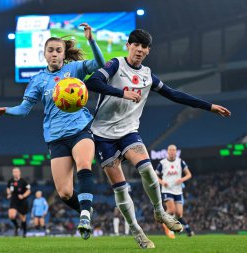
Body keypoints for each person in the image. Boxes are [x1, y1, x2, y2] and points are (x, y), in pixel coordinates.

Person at [0, 23, 139, 240]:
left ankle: (86, 215)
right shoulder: (38, 80)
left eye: (58, 50)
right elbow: (23, 110)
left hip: (81, 129)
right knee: (65, 193)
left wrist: (91, 40)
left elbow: (101, 63)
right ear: (44, 55)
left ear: (63, 54)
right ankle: (84, 210)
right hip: (56, 137)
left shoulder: (75, 69)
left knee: (84, 165)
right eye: (50, 51)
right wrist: (7, 110)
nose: (54, 54)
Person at [85, 29, 231, 248]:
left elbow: (174, 94)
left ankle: (160, 211)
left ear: (148, 51)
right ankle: (137, 232)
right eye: (136, 45)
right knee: (121, 188)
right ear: (128, 46)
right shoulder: (115, 65)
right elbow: (92, 83)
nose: (140, 50)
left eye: (144, 47)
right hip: (103, 135)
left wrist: (208, 106)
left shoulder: (147, 75)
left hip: (128, 132)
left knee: (148, 170)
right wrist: (122, 93)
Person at [156, 145, 194, 239]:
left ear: (176, 152)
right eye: (170, 150)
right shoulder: (162, 163)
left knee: (179, 214)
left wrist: (182, 179)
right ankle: (166, 224)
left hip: (178, 191)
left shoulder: (180, 162)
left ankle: (166, 220)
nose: (172, 151)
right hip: (167, 190)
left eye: (174, 150)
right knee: (171, 210)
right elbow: (155, 176)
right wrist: (162, 182)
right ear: (167, 151)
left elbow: (189, 174)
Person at [6, 167, 31, 237]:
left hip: (22, 201)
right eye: (14, 172)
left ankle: (24, 232)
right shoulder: (10, 181)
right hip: (14, 200)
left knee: (22, 217)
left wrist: (23, 195)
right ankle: (17, 226)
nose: (15, 173)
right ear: (12, 173)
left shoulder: (24, 181)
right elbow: (8, 188)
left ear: (19, 172)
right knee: (11, 215)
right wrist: (9, 194)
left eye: (17, 171)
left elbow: (29, 191)